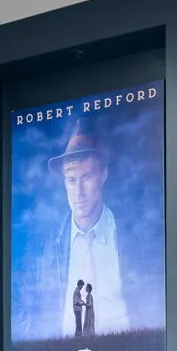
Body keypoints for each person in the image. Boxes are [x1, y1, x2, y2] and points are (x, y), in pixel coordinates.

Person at [52, 125, 129, 333]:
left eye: (86, 177)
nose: (78, 192)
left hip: (127, 347)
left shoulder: (133, 236)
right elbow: (24, 306)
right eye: (71, 180)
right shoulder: (48, 244)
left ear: (103, 175)